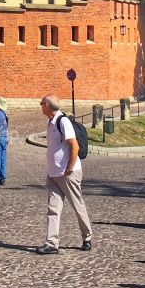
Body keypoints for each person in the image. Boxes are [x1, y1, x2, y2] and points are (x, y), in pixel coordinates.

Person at [36, 95, 93, 255]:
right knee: (53, 209)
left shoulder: (63, 121)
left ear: (47, 105)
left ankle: (87, 237)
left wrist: (69, 167)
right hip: (54, 173)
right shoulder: (51, 123)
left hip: (69, 173)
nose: (41, 106)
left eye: (42, 104)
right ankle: (52, 243)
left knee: (77, 205)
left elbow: (74, 146)